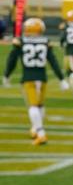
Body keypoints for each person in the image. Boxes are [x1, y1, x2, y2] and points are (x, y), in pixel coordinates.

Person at [4, 16, 65, 145]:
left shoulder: (20, 42)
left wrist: (7, 75)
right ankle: (35, 129)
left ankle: (41, 133)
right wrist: (61, 78)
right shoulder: (45, 41)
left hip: (28, 78)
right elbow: (53, 61)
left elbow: (12, 60)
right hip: (42, 78)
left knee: (32, 106)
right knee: (40, 105)